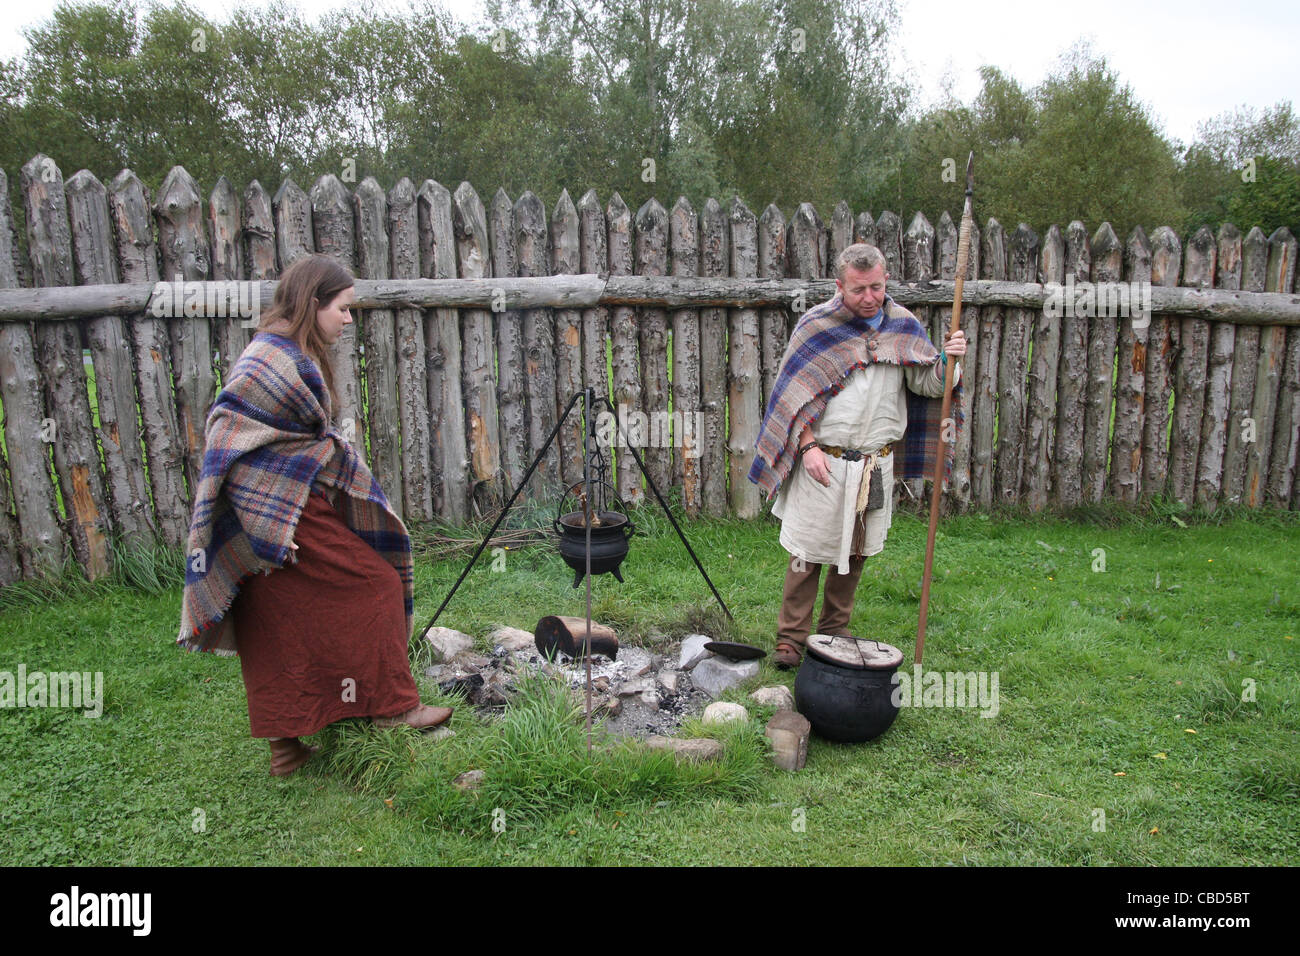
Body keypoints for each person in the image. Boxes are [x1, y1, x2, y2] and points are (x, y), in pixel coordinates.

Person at [178, 254, 451, 777]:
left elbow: (284, 436)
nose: (349, 320)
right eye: (343, 309)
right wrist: (271, 514)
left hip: (270, 513)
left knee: (274, 617)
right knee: (375, 582)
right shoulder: (276, 358)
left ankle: (287, 749)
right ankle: (394, 707)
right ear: (314, 302)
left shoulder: (285, 349)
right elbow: (230, 432)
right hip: (276, 514)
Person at [748, 243, 967, 669]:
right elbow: (793, 396)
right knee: (807, 552)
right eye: (858, 289)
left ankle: (833, 630)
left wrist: (948, 361)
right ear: (839, 286)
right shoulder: (817, 326)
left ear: (886, 281)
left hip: (875, 462)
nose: (869, 297)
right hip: (823, 459)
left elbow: (928, 384)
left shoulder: (902, 325)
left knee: (858, 549)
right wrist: (807, 445)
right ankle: (791, 641)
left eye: (877, 288)